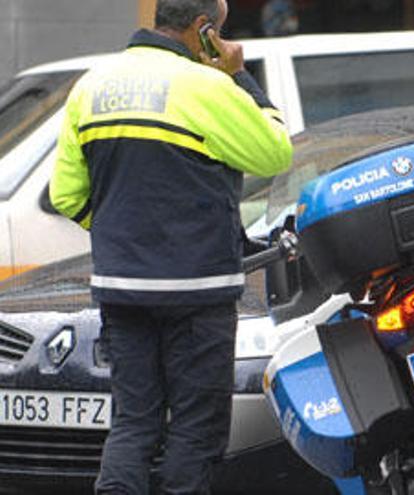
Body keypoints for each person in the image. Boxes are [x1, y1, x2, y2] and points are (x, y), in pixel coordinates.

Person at [49, 0, 293, 493]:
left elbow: (65, 195)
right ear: (203, 30)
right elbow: (275, 151)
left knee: (133, 425)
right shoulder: (207, 86)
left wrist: (125, 231)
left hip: (122, 289)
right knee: (193, 431)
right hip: (198, 291)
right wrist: (239, 76)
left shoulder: (92, 86)